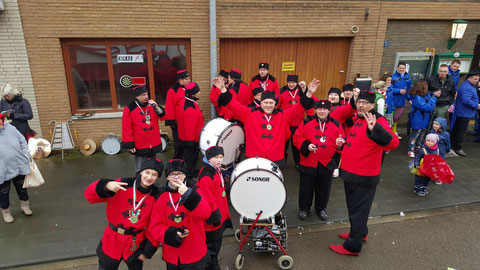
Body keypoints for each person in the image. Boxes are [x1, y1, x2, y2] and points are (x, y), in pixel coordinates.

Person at [330, 90, 399, 256]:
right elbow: (360, 141)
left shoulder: (378, 120)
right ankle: (360, 233)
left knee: (357, 211)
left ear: (372, 105)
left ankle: (352, 246)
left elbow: (393, 143)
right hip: (351, 173)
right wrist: (344, 143)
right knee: (357, 209)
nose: (361, 105)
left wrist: (376, 129)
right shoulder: (359, 118)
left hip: (363, 176)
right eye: (359, 102)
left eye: (365, 103)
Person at [213, 77, 319, 167]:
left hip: (276, 159)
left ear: (275, 104)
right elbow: (233, 105)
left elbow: (298, 108)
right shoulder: (249, 113)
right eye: (266, 102)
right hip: (254, 158)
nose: (268, 105)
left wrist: (309, 93)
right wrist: (223, 89)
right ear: (261, 103)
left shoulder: (283, 115)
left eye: (271, 103)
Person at [84, 158, 164, 269]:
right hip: (112, 239)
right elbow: (89, 196)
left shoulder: (157, 194)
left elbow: (156, 225)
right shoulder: (124, 184)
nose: (149, 177)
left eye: (154, 175)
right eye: (147, 172)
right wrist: (106, 185)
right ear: (141, 171)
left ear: (158, 177)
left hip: (136, 243)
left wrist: (147, 251)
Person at [147, 159, 211, 270]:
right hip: (172, 254)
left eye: (180, 174)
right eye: (172, 174)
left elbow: (205, 214)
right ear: (167, 177)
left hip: (195, 251)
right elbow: (154, 227)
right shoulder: (161, 196)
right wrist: (172, 234)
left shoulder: (195, 190)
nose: (176, 177)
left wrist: (188, 195)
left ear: (185, 175)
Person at [293, 100, 345, 221]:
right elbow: (296, 137)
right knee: (306, 187)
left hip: (326, 162)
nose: (322, 111)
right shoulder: (306, 122)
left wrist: (340, 144)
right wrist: (307, 146)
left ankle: (321, 208)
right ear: (315, 110)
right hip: (308, 161)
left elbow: (341, 140)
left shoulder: (336, 124)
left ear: (329, 110)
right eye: (319, 109)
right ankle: (304, 208)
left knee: (324, 188)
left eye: (325, 109)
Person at [196, 146, 232, 270]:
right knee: (212, 246)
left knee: (215, 244)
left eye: (221, 157)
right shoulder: (207, 176)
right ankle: (213, 266)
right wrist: (214, 215)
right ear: (208, 158)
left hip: (219, 213)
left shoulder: (215, 170)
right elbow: (207, 199)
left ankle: (213, 260)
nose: (219, 160)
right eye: (216, 157)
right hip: (213, 218)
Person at [121, 85, 165, 173]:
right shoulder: (130, 108)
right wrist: (130, 145)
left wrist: (156, 107)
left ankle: (151, 185)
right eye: (143, 95)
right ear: (137, 96)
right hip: (139, 144)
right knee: (140, 168)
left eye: (146, 94)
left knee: (152, 167)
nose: (146, 97)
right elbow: (126, 127)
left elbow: (162, 116)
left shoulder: (151, 105)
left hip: (152, 142)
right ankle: (138, 185)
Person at [0, 114, 33, 223]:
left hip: (18, 164)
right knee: (3, 192)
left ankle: (25, 206)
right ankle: (6, 212)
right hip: (2, 169)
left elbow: (22, 141)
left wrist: (26, 154)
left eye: (0, 120)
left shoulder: (11, 128)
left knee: (22, 186)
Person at [176, 83, 204, 180]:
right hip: (190, 139)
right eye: (198, 91)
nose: (200, 93)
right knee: (190, 158)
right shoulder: (190, 107)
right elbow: (190, 126)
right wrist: (191, 142)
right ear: (193, 94)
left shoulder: (185, 101)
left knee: (189, 157)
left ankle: (190, 171)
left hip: (186, 137)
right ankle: (189, 175)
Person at [450, 70, 480, 156]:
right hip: (464, 112)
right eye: (475, 79)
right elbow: (466, 100)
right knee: (461, 131)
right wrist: (477, 105)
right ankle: (458, 147)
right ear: (469, 78)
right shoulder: (467, 87)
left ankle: (452, 145)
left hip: (464, 112)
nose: (476, 81)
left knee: (457, 129)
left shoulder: (469, 85)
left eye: (477, 79)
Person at [407, 80, 437, 158]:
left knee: (421, 135)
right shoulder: (417, 98)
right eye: (426, 86)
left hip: (424, 120)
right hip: (418, 120)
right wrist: (434, 99)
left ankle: (417, 148)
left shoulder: (425, 95)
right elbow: (427, 107)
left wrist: (432, 97)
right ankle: (410, 150)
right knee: (415, 136)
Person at [165, 70, 191, 159]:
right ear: (180, 80)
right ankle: (178, 159)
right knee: (179, 143)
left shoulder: (188, 88)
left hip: (187, 121)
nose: (189, 80)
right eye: (187, 79)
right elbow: (169, 107)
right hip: (177, 122)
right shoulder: (172, 90)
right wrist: (171, 122)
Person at [279, 74, 303, 167]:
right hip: (285, 123)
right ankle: (282, 161)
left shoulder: (301, 91)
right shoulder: (282, 91)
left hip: (298, 123)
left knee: (296, 145)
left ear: (296, 83)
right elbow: (278, 105)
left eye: (293, 82)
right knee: (283, 144)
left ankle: (298, 163)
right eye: (289, 82)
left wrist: (310, 117)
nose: (291, 84)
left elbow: (307, 105)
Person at [391, 62, 412, 138]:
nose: (401, 69)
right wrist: (398, 91)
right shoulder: (392, 77)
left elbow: (408, 90)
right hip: (392, 101)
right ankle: (389, 132)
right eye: (400, 68)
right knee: (390, 117)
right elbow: (389, 89)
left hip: (401, 101)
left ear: (405, 69)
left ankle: (394, 131)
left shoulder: (408, 78)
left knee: (397, 117)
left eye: (403, 68)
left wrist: (409, 99)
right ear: (397, 68)